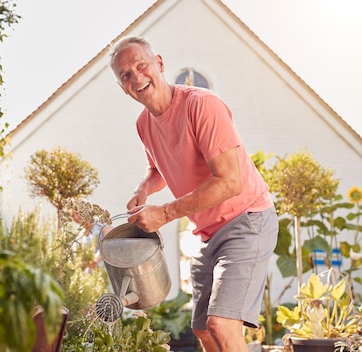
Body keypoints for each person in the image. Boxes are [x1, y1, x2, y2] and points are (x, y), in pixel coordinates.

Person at [108, 36, 279, 352]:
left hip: (247, 219)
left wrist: (165, 213)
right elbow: (158, 168)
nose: (136, 77)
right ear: (123, 87)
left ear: (159, 63)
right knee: (203, 331)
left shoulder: (202, 105)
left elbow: (230, 182)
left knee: (222, 325)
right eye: (126, 75)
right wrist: (143, 189)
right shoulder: (144, 124)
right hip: (207, 234)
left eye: (141, 66)